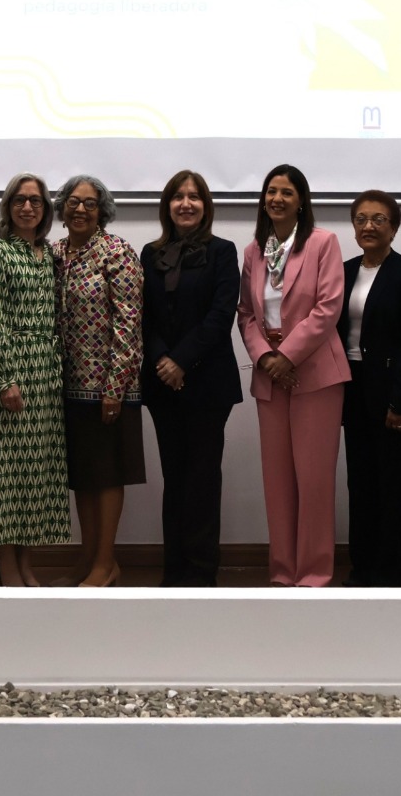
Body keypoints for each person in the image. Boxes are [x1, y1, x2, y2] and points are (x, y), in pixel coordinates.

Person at [237, 164, 350, 587]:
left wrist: (288, 354)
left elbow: (328, 307)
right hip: (270, 373)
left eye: (286, 192)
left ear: (301, 199)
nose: (277, 199)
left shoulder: (323, 242)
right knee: (278, 480)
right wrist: (267, 357)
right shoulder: (254, 251)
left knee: (314, 479)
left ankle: (315, 573)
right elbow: (246, 314)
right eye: (271, 191)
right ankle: (283, 572)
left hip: (315, 373)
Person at [0, 174, 71, 586]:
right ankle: (6, 562)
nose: (28, 207)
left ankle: (26, 560)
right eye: (20, 200)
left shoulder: (49, 253)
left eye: (36, 201)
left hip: (46, 375)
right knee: (7, 474)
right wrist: (5, 379)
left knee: (38, 476)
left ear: (46, 210)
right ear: (8, 205)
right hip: (10, 375)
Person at [140, 170, 241, 587]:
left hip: (207, 383)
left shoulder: (222, 251)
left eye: (194, 197)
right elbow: (142, 312)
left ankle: (201, 577)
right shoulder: (149, 252)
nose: (185, 203)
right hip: (163, 383)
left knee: (202, 481)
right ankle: (174, 574)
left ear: (205, 205)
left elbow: (220, 316)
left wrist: (181, 360)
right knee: (174, 481)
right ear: (167, 205)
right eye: (178, 197)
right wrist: (164, 360)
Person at [52, 174, 145, 588]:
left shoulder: (117, 252)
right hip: (66, 387)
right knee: (83, 477)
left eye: (90, 203)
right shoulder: (54, 253)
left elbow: (129, 322)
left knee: (107, 476)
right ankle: (87, 558)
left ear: (102, 210)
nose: (80, 209)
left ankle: (106, 563)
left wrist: (115, 388)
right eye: (73, 202)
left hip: (109, 387)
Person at [335, 190, 401, 587]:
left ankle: (390, 575)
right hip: (351, 388)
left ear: (394, 227)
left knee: (392, 485)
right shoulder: (343, 270)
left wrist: (400, 401)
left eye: (378, 219)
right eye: (361, 219)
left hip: (392, 391)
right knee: (360, 482)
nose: (369, 226)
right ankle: (363, 569)